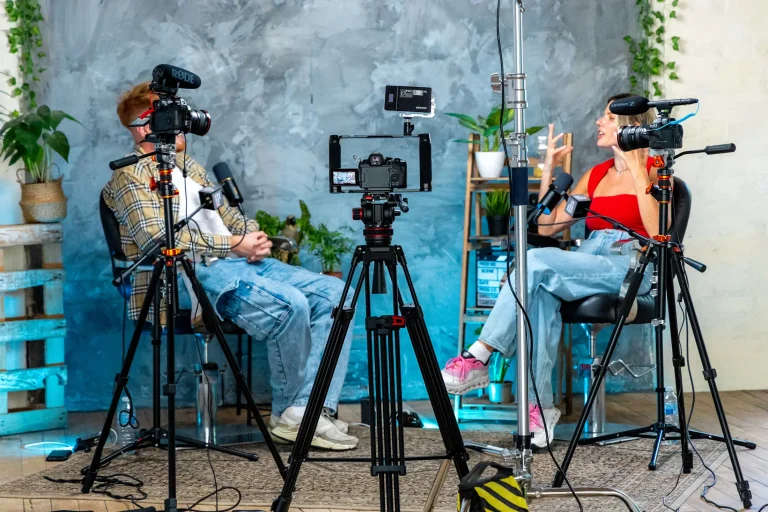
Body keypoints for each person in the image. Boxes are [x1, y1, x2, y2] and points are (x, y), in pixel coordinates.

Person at [103, 82, 358, 451]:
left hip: (240, 264)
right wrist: (234, 245)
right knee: (291, 305)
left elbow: (233, 219)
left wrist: (253, 238)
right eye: (172, 117)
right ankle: (292, 413)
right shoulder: (130, 176)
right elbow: (157, 240)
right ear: (144, 127)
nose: (183, 124)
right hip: (186, 275)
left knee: (338, 295)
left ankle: (307, 409)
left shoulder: (191, 167)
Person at [441, 93, 658, 448]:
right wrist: (548, 172)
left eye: (608, 117)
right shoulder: (596, 176)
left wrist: (636, 169)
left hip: (629, 263)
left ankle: (479, 353)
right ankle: (539, 410)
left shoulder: (655, 168)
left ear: (630, 125)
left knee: (533, 262)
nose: (599, 122)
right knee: (538, 295)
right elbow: (547, 227)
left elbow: (658, 231)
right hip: (590, 257)